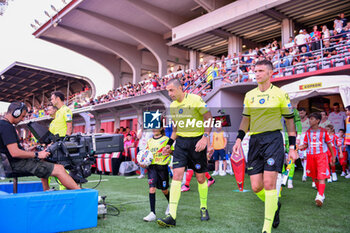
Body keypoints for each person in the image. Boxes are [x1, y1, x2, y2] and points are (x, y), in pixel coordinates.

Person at [232, 60, 297, 233]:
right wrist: (239, 139)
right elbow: (246, 120)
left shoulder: (280, 94)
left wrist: (292, 147)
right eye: (255, 71)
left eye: (261, 70)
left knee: (269, 184)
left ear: (270, 73)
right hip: (254, 141)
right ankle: (275, 205)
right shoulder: (249, 95)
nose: (257, 74)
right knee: (256, 187)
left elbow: (290, 122)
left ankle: (266, 228)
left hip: (273, 139)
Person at [157, 78, 213, 227]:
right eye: (168, 91)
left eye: (171, 90)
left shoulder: (195, 99)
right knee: (177, 175)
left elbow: (209, 118)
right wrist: (169, 144)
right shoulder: (173, 106)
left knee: (200, 178)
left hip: (197, 143)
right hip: (181, 144)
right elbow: (175, 129)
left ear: (180, 88)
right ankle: (172, 215)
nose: (169, 94)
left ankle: (203, 207)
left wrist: (205, 138)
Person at [0, 102, 80, 190]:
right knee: (59, 169)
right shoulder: (7, 127)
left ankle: (46, 191)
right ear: (16, 113)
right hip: (15, 164)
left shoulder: (3, 125)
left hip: (10, 163)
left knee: (44, 160)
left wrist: (30, 150)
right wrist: (37, 154)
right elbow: (15, 153)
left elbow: (9, 149)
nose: (22, 119)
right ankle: (83, 196)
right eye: (22, 116)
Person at [299, 112, 334, 207]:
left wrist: (333, 156)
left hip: (321, 156)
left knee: (321, 176)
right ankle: (321, 194)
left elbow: (330, 145)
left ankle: (320, 196)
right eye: (309, 119)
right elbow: (306, 145)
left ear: (318, 121)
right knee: (314, 177)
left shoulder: (324, 131)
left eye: (312, 119)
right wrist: (298, 147)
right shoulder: (308, 132)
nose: (310, 121)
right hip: (310, 156)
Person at [142, 127, 172, 222]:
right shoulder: (149, 141)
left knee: (164, 190)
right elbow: (146, 154)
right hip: (152, 168)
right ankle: (152, 213)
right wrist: (142, 162)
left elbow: (173, 151)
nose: (154, 130)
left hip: (162, 168)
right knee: (152, 188)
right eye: (153, 128)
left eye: (156, 128)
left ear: (161, 128)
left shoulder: (166, 139)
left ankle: (171, 205)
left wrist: (169, 151)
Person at [298, 107, 310, 182]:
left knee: (306, 157)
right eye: (299, 113)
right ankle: (306, 171)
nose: (300, 114)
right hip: (299, 140)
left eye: (302, 112)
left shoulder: (309, 121)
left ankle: (304, 174)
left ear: (305, 112)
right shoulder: (297, 121)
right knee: (302, 158)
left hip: (307, 140)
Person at [344, 106, 350, 179]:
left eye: (347, 110)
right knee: (349, 157)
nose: (346, 112)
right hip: (348, 141)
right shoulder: (347, 119)